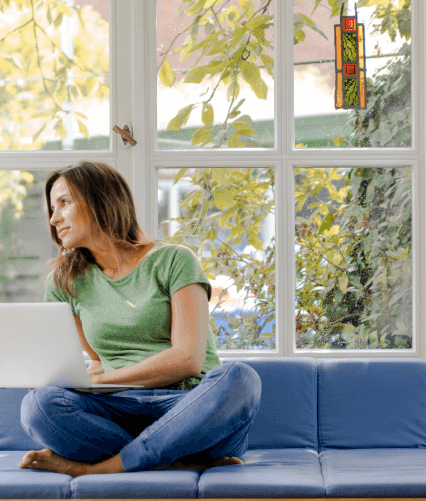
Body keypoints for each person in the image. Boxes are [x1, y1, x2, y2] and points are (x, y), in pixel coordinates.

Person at [18, 161, 261, 477]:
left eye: (64, 202)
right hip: (120, 410)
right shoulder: (64, 282)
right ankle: (176, 457)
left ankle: (102, 469)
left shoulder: (174, 260)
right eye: (52, 208)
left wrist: (99, 380)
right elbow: (95, 360)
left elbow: (188, 359)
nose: (54, 218)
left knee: (240, 379)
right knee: (38, 405)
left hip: (189, 403)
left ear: (100, 200)